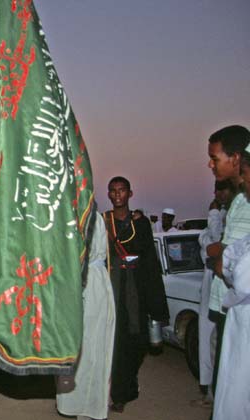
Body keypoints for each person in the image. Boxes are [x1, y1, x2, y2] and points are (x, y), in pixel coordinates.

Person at [102, 176, 169, 413]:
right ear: (109, 194)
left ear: (130, 193)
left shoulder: (140, 223)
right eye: (113, 191)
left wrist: (155, 300)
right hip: (112, 289)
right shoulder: (104, 221)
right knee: (115, 342)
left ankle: (129, 383)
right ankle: (119, 393)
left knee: (136, 341)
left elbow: (149, 259)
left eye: (122, 190)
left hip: (136, 290)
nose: (118, 194)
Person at [56, 211, 116, 420]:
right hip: (70, 282)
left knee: (94, 346)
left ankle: (90, 406)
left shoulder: (93, 216)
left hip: (92, 284)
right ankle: (72, 402)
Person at [205, 125, 250, 398]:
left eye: (215, 158)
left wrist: (221, 254)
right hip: (231, 305)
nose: (210, 164)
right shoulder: (239, 199)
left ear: (235, 158)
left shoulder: (245, 201)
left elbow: (233, 256)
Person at [192, 180, 235, 409]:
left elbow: (217, 243)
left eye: (223, 189)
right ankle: (209, 390)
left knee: (224, 341)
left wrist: (214, 214)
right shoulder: (222, 213)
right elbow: (207, 247)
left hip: (228, 283)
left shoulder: (233, 213)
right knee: (207, 337)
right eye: (216, 189)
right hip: (211, 279)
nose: (218, 193)